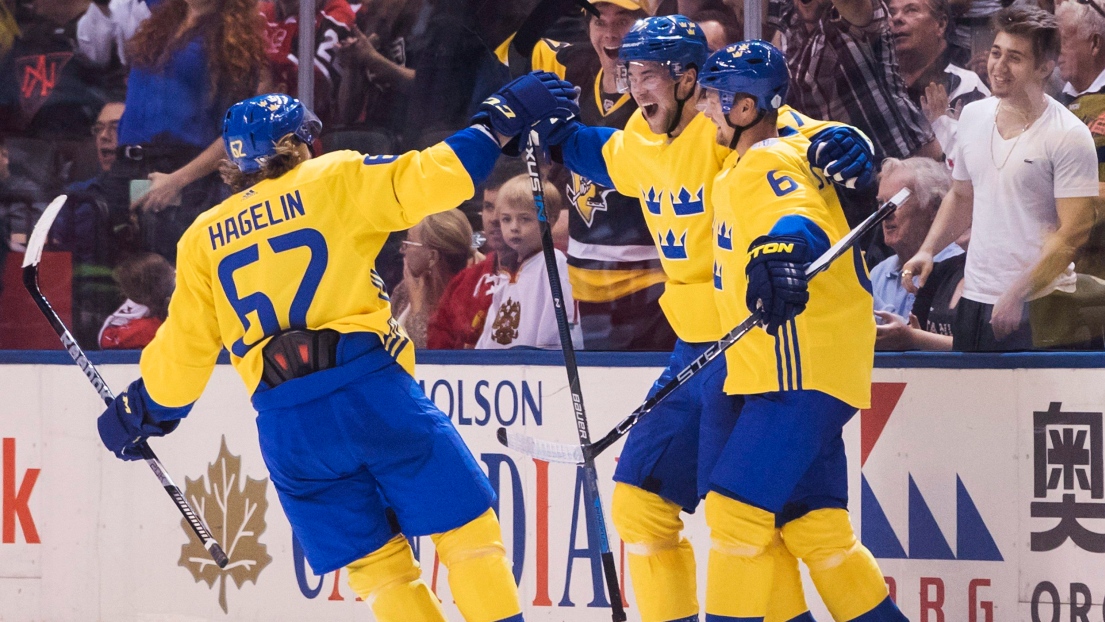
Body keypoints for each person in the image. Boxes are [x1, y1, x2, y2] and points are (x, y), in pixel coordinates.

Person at [93, 73, 580, 620]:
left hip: (289, 431)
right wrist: (499, 119)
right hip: (370, 395)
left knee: (379, 568)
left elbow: (183, 358)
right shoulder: (333, 176)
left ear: (233, 162)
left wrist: (141, 413)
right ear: (299, 143)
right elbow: (433, 178)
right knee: (463, 530)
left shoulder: (203, 236)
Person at [533, 17, 877, 622]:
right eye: (628, 74)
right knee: (761, 522)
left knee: (754, 521)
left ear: (692, 79)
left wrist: (855, 141)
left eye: (648, 74)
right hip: (699, 344)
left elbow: (800, 145)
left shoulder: (733, 132)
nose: (635, 88)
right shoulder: (645, 134)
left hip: (745, 340)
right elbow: (608, 157)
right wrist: (547, 133)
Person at [698, 41, 905, 621]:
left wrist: (781, 249)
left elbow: (800, 219)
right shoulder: (745, 162)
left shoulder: (766, 158)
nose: (704, 110)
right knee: (816, 532)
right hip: (790, 366)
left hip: (799, 365)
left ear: (743, 107)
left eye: (714, 98)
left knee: (736, 517)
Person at [901, 6, 1099, 351]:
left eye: (1015, 58)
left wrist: (1017, 293)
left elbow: (1072, 233)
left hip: (1040, 303)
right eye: (996, 53)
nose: (999, 67)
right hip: (975, 299)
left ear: (1044, 67)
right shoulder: (974, 116)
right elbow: (962, 196)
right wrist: (928, 249)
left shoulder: (1069, 134)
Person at [505, 0, 678, 351]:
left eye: (624, 21)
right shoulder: (576, 69)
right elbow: (516, 52)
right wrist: (552, 8)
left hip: (652, 285)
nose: (611, 33)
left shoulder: (662, 95)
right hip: (585, 286)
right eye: (600, 21)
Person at [104, 0, 267, 262]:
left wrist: (178, 179)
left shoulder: (231, 38)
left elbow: (239, 131)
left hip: (181, 172)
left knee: (168, 277)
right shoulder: (162, 20)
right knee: (121, 273)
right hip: (128, 166)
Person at [769, 0, 940, 161]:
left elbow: (853, 5)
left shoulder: (851, 12)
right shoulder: (789, 25)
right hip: (844, 173)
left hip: (906, 159)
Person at [475, 174, 583, 350]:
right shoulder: (506, 272)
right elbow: (490, 335)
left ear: (551, 220)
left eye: (524, 219)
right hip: (504, 372)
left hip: (537, 370)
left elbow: (557, 330)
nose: (514, 227)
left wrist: (545, 360)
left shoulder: (554, 264)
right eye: (506, 219)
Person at [427, 160, 523, 350]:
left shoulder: (553, 275)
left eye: (503, 208)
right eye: (488, 207)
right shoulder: (464, 283)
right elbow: (437, 353)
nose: (494, 218)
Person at [871, 157, 960, 350]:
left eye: (896, 202)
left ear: (935, 209)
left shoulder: (960, 270)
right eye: (881, 204)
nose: (886, 213)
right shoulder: (878, 274)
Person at [889, 0, 989, 156]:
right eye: (891, 12)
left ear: (941, 24)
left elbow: (975, 161)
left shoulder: (967, 86)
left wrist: (942, 125)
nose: (896, 18)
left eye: (911, 10)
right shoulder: (881, 82)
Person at [391, 209, 479, 349]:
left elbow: (436, 360)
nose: (403, 250)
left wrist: (417, 310)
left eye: (409, 242)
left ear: (432, 257)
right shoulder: (404, 290)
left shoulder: (467, 301)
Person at [259, 0, 354, 126]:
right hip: (256, 118)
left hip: (304, 129)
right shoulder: (261, 13)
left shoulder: (336, 11)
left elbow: (315, 84)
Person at [99, 252, 175, 349]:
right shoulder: (147, 327)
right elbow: (106, 341)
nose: (173, 271)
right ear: (157, 286)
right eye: (167, 271)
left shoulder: (150, 293)